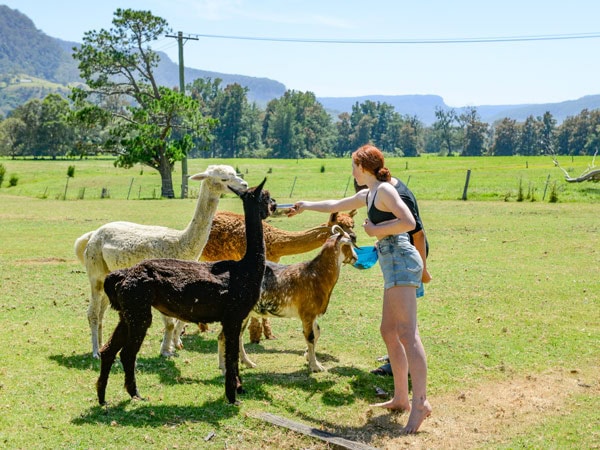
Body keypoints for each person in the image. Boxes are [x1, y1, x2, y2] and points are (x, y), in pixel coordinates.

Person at [288, 144, 432, 434]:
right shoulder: (369, 193)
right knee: (389, 331)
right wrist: (305, 205)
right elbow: (334, 205)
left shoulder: (387, 191)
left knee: (406, 333)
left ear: (364, 168)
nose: (352, 170)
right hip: (392, 262)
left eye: (354, 165)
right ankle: (401, 398)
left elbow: (409, 222)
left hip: (402, 259)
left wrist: (375, 231)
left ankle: (421, 405)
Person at [356, 177, 431, 376]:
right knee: (393, 326)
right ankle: (399, 376)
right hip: (397, 258)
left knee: (407, 329)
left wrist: (423, 270)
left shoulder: (392, 194)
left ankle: (417, 394)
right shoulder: (382, 190)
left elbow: (417, 233)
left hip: (405, 260)